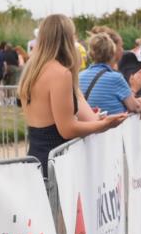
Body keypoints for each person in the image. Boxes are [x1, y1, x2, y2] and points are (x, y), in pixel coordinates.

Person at [19, 14, 127, 177]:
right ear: (67, 39)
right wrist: (104, 125)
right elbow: (67, 129)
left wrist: (94, 120)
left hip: (34, 159)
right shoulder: (60, 74)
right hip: (55, 162)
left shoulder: (31, 70)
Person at [79, 30, 141, 116]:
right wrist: (135, 89)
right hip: (114, 127)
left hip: (91, 127)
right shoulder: (115, 78)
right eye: (121, 46)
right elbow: (134, 107)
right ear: (113, 51)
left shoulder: (80, 76)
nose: (123, 50)